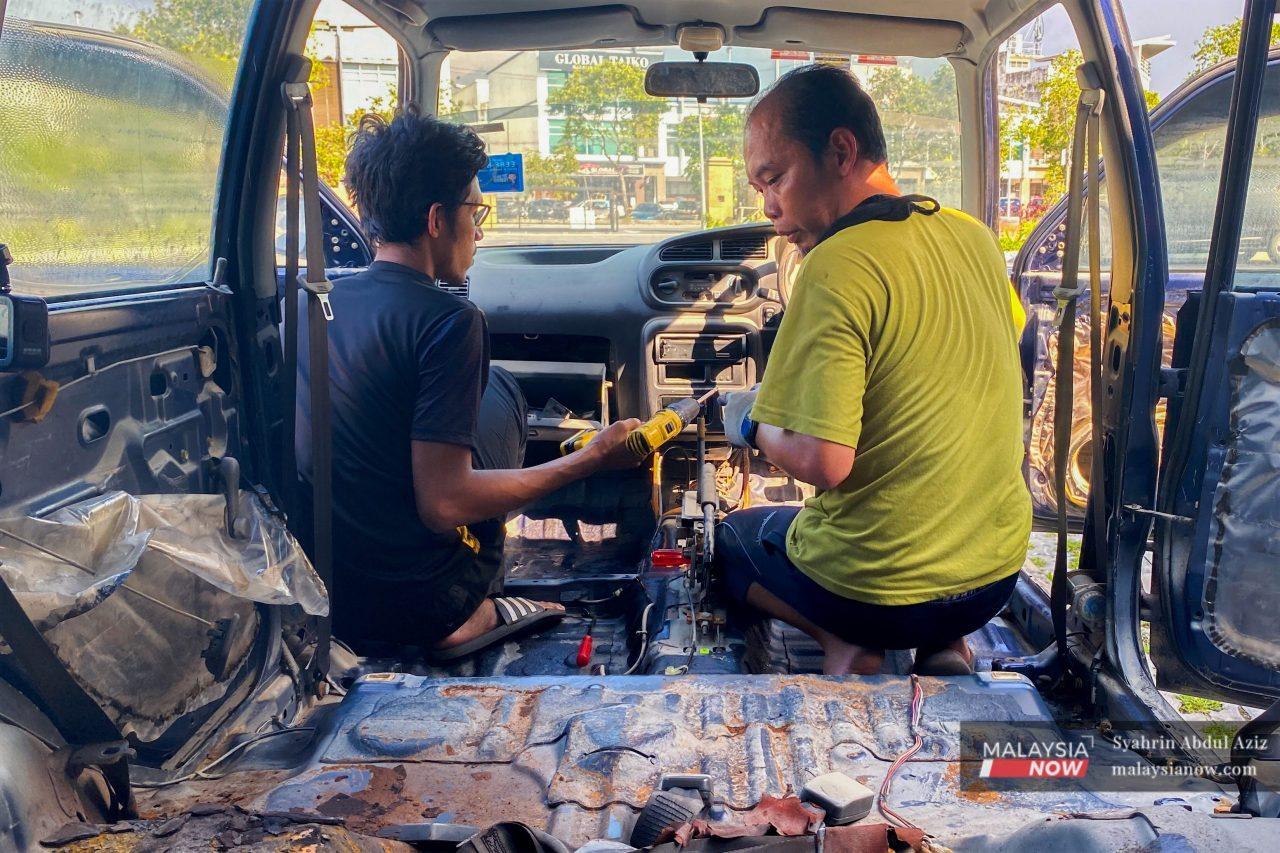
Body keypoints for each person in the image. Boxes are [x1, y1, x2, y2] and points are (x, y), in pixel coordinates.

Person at [716, 65, 1031, 677]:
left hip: (876, 595)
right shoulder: (973, 236)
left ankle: (846, 647)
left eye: (775, 179)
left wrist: (750, 420)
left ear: (840, 150)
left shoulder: (835, 265)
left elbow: (823, 463)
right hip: (993, 579)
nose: (771, 211)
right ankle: (948, 646)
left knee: (733, 542)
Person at [296, 111, 641, 660]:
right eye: (474, 212)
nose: (480, 231)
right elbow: (444, 503)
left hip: (330, 594)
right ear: (437, 219)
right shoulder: (450, 320)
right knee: (501, 390)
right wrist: (592, 458)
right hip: (425, 606)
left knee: (490, 386)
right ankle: (478, 608)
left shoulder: (319, 303)